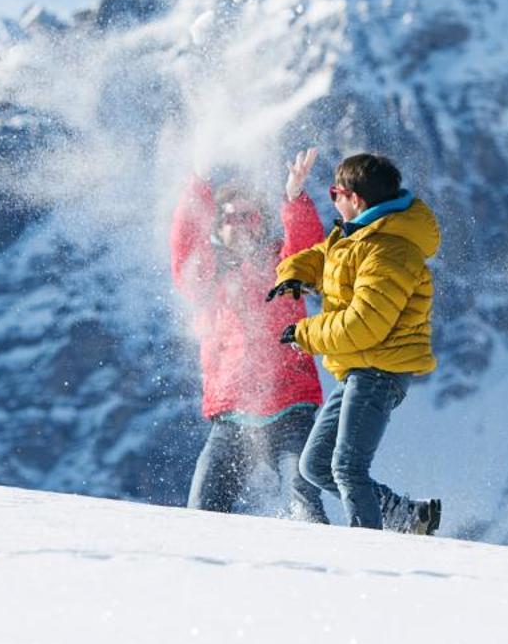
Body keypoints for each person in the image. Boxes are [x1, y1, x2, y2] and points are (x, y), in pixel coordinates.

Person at [269, 152, 441, 533]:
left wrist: (305, 334)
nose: (332, 199)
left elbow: (365, 325)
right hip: (358, 369)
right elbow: (326, 256)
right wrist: (295, 273)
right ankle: (409, 517)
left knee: (347, 468)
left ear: (356, 199)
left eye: (335, 192)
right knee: (314, 466)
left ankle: (367, 557)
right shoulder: (362, 234)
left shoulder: (390, 250)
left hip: (380, 370)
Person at [171, 148, 329, 522]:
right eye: (229, 217)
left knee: (304, 506)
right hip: (231, 417)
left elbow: (308, 251)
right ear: (216, 226)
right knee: (202, 516)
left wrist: (294, 198)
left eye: (249, 216)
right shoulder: (206, 275)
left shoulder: (282, 264)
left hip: (291, 409)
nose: (240, 224)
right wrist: (199, 181)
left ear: (263, 221)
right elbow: (184, 249)